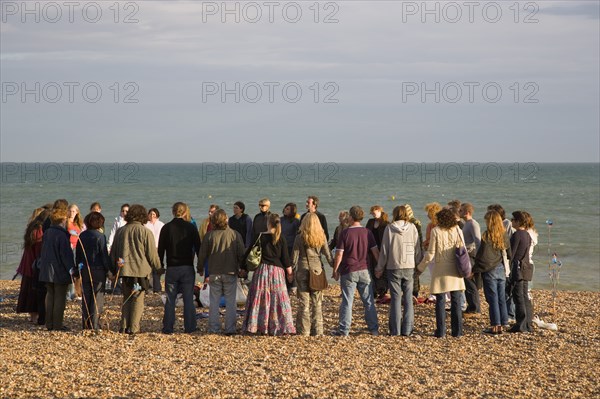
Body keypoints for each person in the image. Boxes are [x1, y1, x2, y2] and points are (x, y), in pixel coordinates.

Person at [110, 204, 162, 335]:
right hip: (140, 271)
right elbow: (152, 254)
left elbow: (114, 252)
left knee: (126, 297)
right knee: (138, 299)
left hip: (125, 271)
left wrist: (112, 270)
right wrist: (159, 268)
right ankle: (133, 328)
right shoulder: (146, 232)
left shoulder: (121, 231)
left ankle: (123, 326)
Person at [242, 213, 296, 335]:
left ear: (268, 223)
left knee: (260, 298)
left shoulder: (259, 236)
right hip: (277, 272)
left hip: (262, 271)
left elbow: (249, 253)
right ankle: (281, 326)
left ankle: (258, 326)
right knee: (279, 299)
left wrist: (243, 268)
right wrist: (290, 273)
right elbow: (286, 259)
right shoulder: (281, 238)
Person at [416, 208, 465, 338]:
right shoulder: (457, 230)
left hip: (441, 268)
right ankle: (457, 331)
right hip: (455, 268)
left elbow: (430, 253)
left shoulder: (436, 231)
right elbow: (462, 249)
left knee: (441, 300)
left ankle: (441, 331)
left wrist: (420, 268)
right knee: (456, 300)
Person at [331, 206, 379, 336]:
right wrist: (379, 267)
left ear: (351, 217)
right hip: (364, 269)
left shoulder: (345, 233)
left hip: (349, 269)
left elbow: (339, 254)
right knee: (368, 301)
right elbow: (375, 252)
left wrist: (335, 270)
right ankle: (373, 329)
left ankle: (344, 330)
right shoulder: (367, 232)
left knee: (347, 301)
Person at [375, 205, 421, 336]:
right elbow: (417, 247)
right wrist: (418, 264)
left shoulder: (390, 228)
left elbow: (384, 250)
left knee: (395, 298)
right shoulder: (412, 227)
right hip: (409, 265)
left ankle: (395, 330)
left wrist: (379, 268)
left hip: (393, 266)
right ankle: (407, 329)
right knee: (408, 298)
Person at [198, 209, 245, 335]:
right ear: (226, 220)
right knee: (231, 301)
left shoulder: (210, 235)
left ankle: (214, 327)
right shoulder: (234, 234)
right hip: (230, 271)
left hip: (214, 271)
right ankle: (230, 328)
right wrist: (243, 268)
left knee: (214, 301)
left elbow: (202, 254)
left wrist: (200, 268)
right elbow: (241, 253)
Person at [158, 202, 201, 334]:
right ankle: (190, 327)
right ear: (184, 212)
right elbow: (199, 248)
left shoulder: (166, 228)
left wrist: (160, 266)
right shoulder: (191, 228)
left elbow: (160, 250)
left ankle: (168, 327)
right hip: (187, 266)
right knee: (188, 299)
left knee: (171, 299)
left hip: (172, 267)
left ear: (173, 212)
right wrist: (200, 266)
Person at [292, 213, 333, 336]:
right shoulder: (321, 236)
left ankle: (304, 331)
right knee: (317, 303)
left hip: (303, 270)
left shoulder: (299, 237)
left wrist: (290, 271)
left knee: (304, 303)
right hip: (317, 271)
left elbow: (294, 258)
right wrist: (335, 268)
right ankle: (318, 331)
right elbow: (328, 254)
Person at [473, 210, 512, 334]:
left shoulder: (487, 235)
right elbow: (509, 253)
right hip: (501, 269)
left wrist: (475, 269)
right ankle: (504, 322)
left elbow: (483, 256)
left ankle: (495, 325)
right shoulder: (504, 234)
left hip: (490, 271)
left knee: (492, 299)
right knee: (501, 297)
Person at [38, 207, 76, 331]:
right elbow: (66, 255)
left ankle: (49, 323)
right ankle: (57, 324)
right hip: (58, 271)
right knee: (59, 297)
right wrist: (72, 269)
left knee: (50, 296)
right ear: (62, 220)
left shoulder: (47, 232)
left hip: (46, 270)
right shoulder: (61, 235)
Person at [75, 212, 114, 331]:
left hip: (85, 269)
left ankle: (85, 324)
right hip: (98, 270)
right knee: (97, 297)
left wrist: (78, 271)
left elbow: (78, 255)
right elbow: (103, 256)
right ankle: (95, 324)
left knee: (86, 297)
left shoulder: (82, 236)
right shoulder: (100, 236)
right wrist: (109, 270)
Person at [16, 208, 49, 324]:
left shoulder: (32, 228)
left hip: (28, 263)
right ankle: (35, 315)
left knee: (28, 289)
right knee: (34, 291)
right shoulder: (39, 230)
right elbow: (39, 249)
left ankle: (32, 315)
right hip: (34, 265)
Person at [508, 211, 533, 333]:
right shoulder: (527, 235)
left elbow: (511, 254)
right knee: (525, 296)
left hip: (518, 268)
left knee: (518, 297)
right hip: (526, 267)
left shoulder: (517, 234)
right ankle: (528, 323)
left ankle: (521, 324)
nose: (511, 221)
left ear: (518, 221)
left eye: (513, 219)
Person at [460, 202, 482, 315]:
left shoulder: (473, 224)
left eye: (461, 211)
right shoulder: (466, 224)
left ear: (467, 212)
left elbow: (478, 241)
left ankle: (475, 308)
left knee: (470, 281)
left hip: (471, 255)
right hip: (466, 254)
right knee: (467, 281)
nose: (459, 212)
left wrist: (478, 259)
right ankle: (471, 306)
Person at [365, 205, 389, 300]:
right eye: (372, 213)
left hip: (382, 249)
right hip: (370, 249)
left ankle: (382, 291)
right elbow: (366, 233)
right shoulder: (370, 222)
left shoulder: (386, 223)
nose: (373, 215)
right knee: (371, 269)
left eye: (374, 213)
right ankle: (373, 290)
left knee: (382, 270)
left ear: (379, 211)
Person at [404, 204, 424, 299]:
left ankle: (413, 293)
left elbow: (419, 238)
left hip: (411, 249)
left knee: (414, 272)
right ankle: (413, 293)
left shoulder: (415, 222)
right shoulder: (414, 222)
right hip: (411, 249)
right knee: (413, 272)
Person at [281, 202, 301, 294]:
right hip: (281, 246)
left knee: (291, 266)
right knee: (282, 266)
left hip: (291, 246)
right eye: (285, 208)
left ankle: (293, 285)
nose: (285, 210)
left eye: (288, 209)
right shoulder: (280, 220)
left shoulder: (295, 221)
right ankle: (283, 284)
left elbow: (298, 235)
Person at [145, 207, 165, 293]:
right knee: (148, 268)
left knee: (157, 268)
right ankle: (149, 287)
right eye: (150, 214)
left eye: (154, 214)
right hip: (148, 248)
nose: (152, 216)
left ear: (157, 215)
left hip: (158, 248)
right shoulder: (145, 224)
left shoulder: (161, 224)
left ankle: (157, 287)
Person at [67, 204, 84, 301]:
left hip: (78, 247)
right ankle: (70, 292)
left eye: (74, 211)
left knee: (78, 269)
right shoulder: (66, 223)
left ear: (77, 212)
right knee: (70, 269)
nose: (72, 213)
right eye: (70, 211)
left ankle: (78, 292)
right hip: (70, 247)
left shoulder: (78, 223)